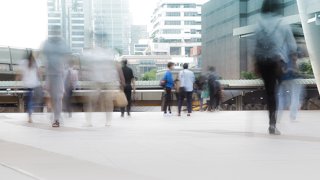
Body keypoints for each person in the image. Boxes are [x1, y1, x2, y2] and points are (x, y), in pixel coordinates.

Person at [254, 0, 297, 135]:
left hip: (262, 61)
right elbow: (292, 46)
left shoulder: (259, 22)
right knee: (279, 90)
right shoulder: (282, 22)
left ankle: (271, 123)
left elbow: (256, 45)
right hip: (276, 62)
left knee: (270, 93)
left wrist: (255, 64)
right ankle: (274, 122)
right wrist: (293, 64)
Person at [42, 31, 70, 128]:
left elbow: (64, 69)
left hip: (58, 77)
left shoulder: (60, 48)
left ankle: (56, 118)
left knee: (57, 98)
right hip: (52, 76)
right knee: (54, 98)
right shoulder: (49, 47)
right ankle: (56, 116)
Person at [16, 51, 41, 123]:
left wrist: (16, 84)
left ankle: (30, 115)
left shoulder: (23, 62)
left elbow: (19, 74)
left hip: (28, 85)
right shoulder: (36, 62)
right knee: (35, 100)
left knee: (29, 100)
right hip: (35, 85)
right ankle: (31, 111)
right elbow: (39, 73)